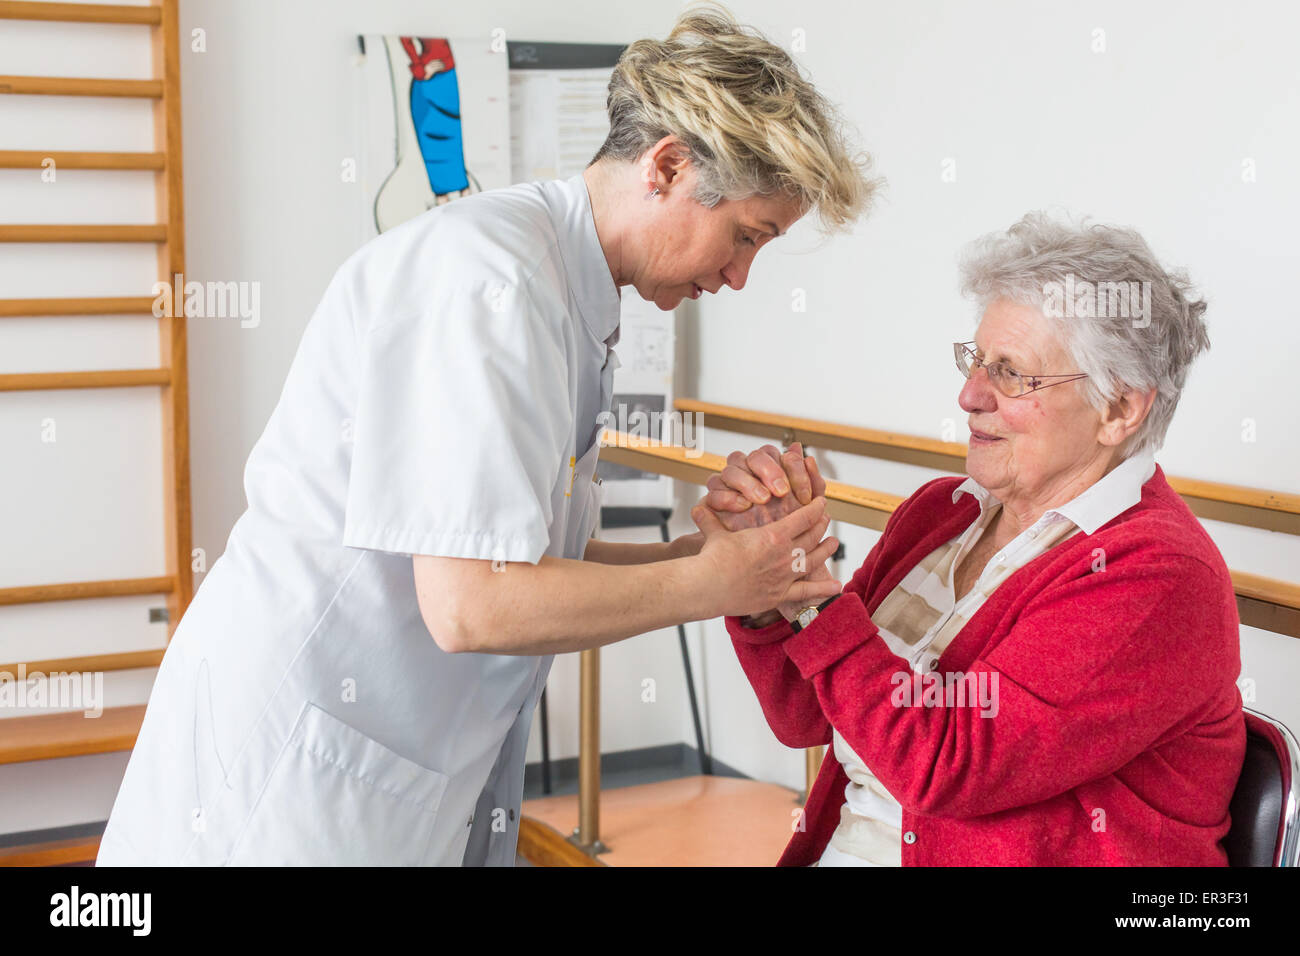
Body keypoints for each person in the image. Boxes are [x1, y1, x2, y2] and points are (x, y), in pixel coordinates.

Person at [94, 7, 874, 866]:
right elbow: (474, 604)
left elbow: (521, 564)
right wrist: (716, 584)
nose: (737, 276)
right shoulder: (491, 282)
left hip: (383, 760)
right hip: (290, 771)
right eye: (745, 238)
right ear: (668, 165)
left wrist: (705, 558)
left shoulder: (563, 288)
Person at [694, 212, 1246, 865]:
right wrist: (769, 585)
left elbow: (947, 764)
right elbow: (807, 715)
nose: (968, 394)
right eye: (976, 361)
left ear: (1120, 409)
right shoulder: (942, 512)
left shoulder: (1155, 573)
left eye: (1011, 373)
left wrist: (808, 595)